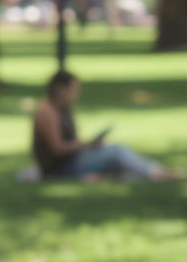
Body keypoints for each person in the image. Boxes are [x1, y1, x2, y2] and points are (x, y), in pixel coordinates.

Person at [32, 70, 180, 181]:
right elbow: (57, 148)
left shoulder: (64, 109)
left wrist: (88, 145)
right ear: (60, 89)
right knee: (116, 151)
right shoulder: (47, 110)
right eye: (74, 89)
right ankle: (157, 173)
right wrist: (85, 145)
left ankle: (157, 171)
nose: (76, 94)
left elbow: (71, 141)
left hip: (72, 160)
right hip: (60, 168)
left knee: (118, 160)